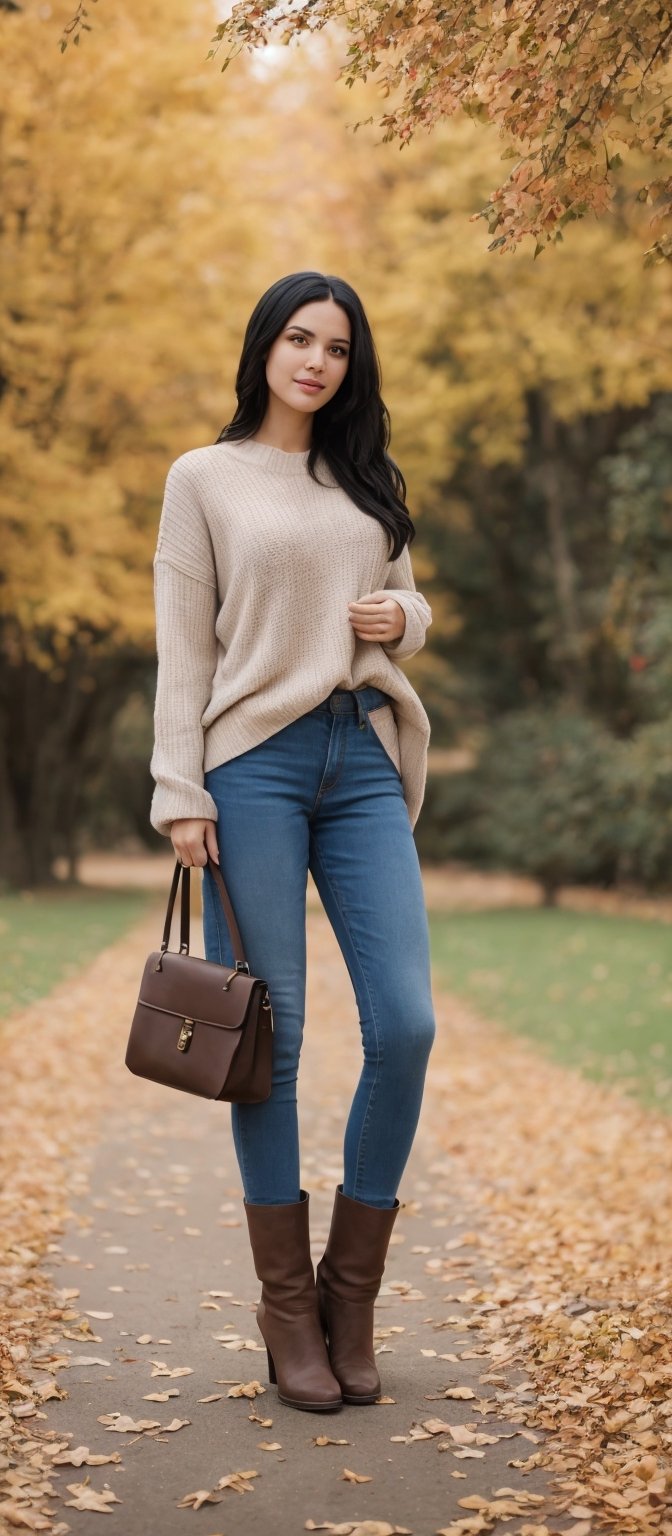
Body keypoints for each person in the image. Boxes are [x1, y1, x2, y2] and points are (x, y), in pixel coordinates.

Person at [149, 271, 436, 1415]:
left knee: (406, 1023)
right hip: (250, 764)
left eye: (337, 347)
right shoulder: (204, 478)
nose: (317, 361)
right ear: (266, 346)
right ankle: (287, 1318)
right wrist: (183, 789)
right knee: (273, 1035)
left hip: (359, 757)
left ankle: (349, 1294)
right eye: (299, 338)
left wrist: (398, 620)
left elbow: (407, 600)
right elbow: (184, 647)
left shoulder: (361, 482)